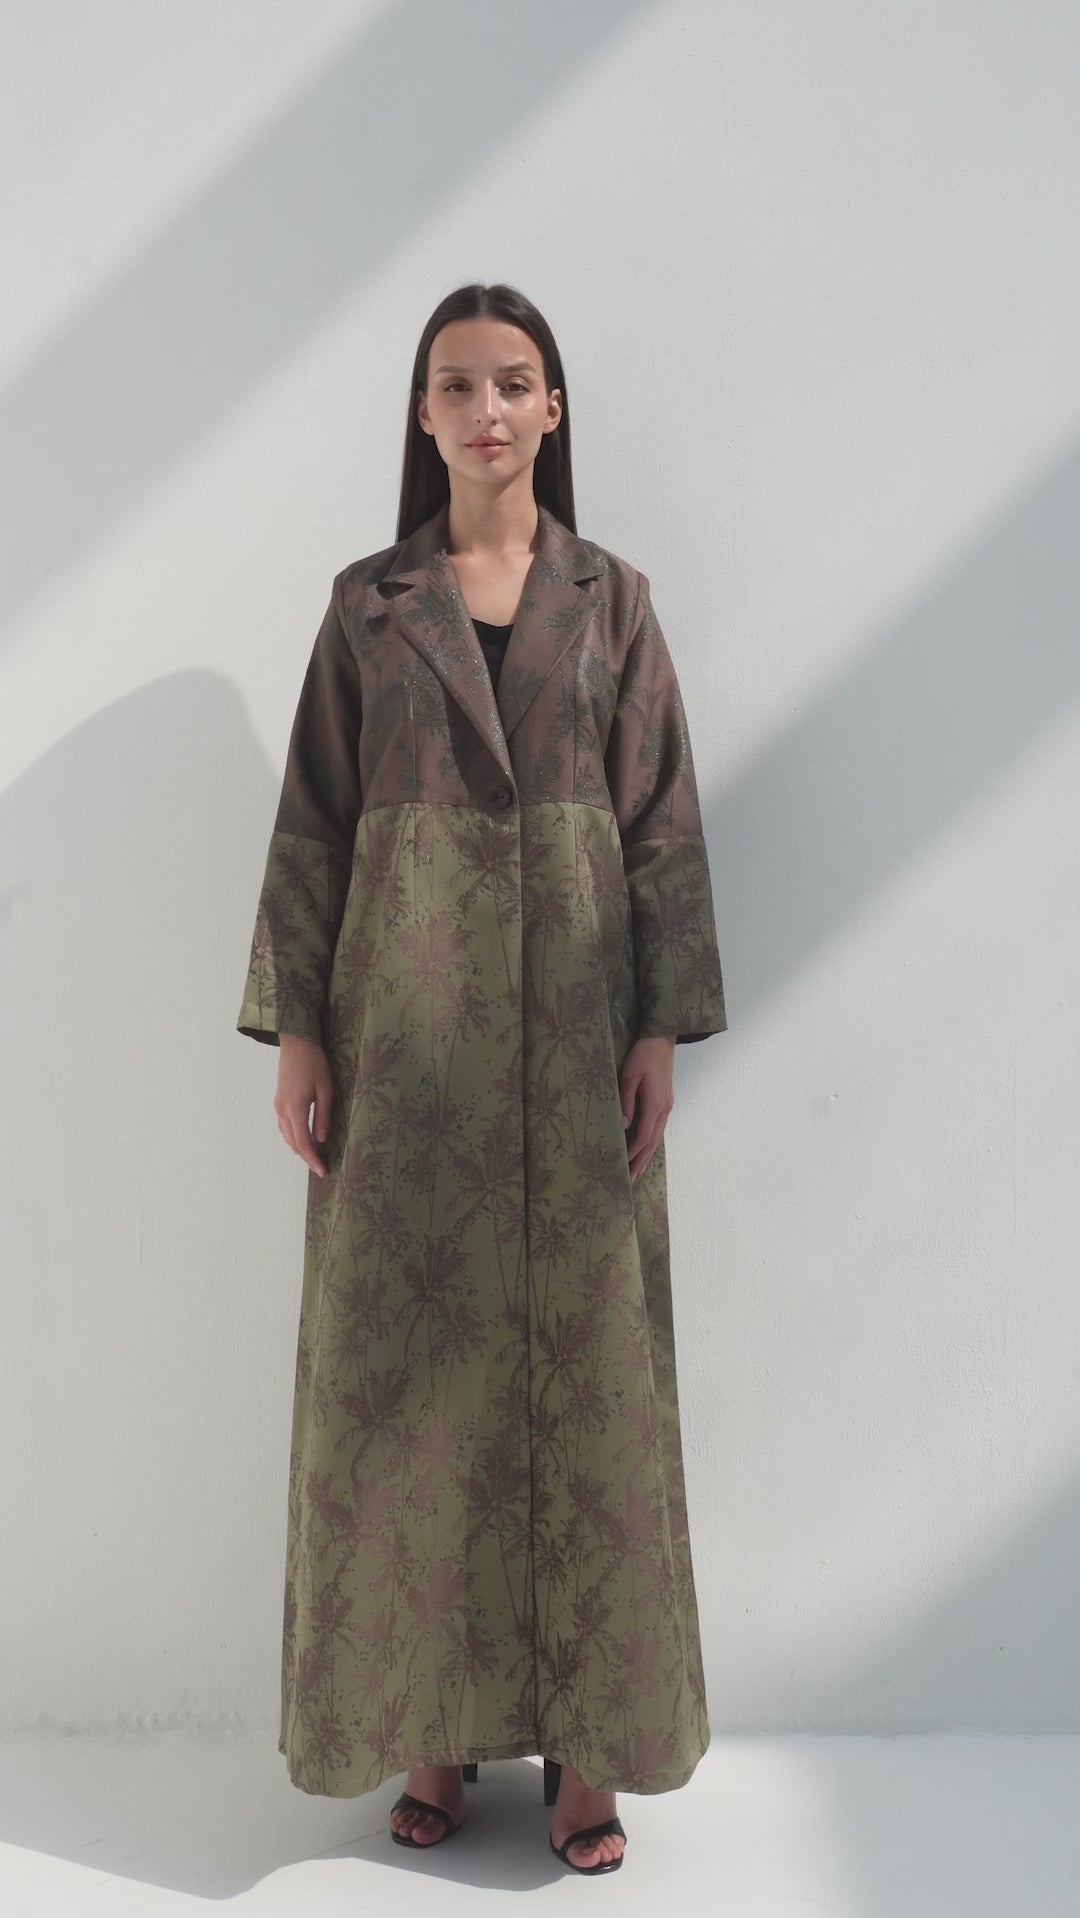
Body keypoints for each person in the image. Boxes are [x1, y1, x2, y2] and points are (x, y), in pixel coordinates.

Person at [236, 281, 728, 1875]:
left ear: (552, 409)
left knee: (591, 1385)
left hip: (578, 1041)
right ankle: (431, 1728)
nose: (488, 409)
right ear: (424, 414)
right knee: (402, 1389)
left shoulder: (615, 603)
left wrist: (657, 1025)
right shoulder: (370, 607)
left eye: (514, 382)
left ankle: (589, 1753)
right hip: (408, 1045)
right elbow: (314, 823)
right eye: (458, 384)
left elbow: (660, 823)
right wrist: (301, 1029)